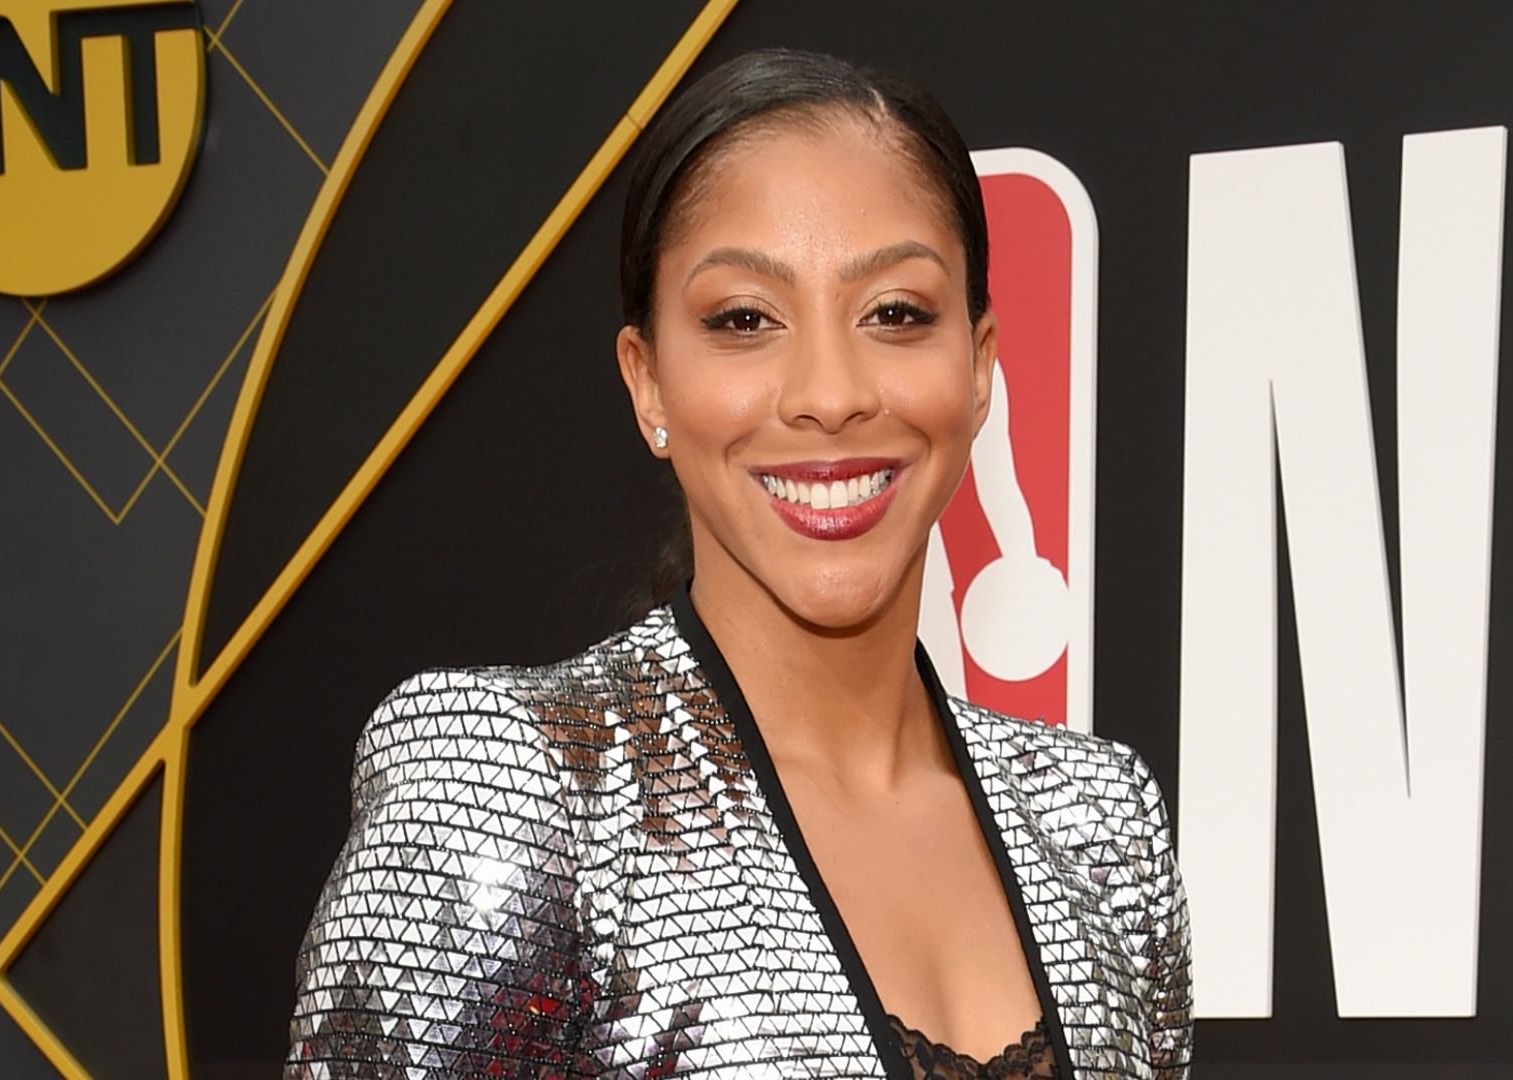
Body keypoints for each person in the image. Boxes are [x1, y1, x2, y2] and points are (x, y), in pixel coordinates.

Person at [284, 47, 1191, 1080]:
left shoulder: (1103, 826)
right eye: (745, 320)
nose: (830, 394)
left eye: (895, 313)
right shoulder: (516, 795)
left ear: (979, 366)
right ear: (649, 384)